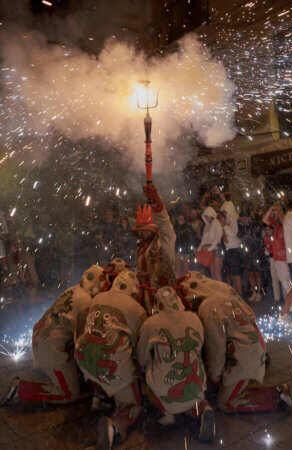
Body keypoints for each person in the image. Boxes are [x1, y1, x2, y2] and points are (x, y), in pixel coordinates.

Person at [176, 271, 292, 413]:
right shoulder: (222, 288)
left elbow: (216, 352)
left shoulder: (207, 309)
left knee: (226, 402)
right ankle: (252, 370)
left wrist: (214, 378)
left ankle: (277, 395)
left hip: (243, 353)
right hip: (252, 342)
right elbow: (250, 313)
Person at [1, 265, 108, 405]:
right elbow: (83, 342)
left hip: (40, 340)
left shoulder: (74, 290)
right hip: (51, 352)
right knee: (69, 393)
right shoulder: (86, 303)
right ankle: (20, 390)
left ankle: (51, 371)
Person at [75, 270, 147, 447]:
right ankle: (115, 424)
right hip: (111, 365)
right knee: (134, 404)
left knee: (96, 357)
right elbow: (140, 348)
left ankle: (99, 397)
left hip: (84, 360)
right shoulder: (136, 308)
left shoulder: (98, 298)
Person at [137, 286, 215, 442]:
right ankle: (202, 408)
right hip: (195, 380)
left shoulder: (151, 323)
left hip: (166, 387)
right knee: (193, 387)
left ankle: (166, 412)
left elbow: (141, 356)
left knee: (148, 373)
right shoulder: (194, 318)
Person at [132, 184, 177, 315]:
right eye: (140, 231)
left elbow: (164, 223)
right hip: (145, 302)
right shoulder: (140, 248)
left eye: (145, 230)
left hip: (166, 300)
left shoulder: (164, 240)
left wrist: (157, 202)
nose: (143, 234)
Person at [262, 204, 292, 303]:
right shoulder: (275, 225)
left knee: (288, 282)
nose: (275, 216)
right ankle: (290, 305)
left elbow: (284, 222)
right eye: (274, 214)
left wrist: (280, 213)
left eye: (277, 214)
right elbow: (264, 219)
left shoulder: (286, 224)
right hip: (277, 257)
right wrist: (271, 208)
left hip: (285, 257)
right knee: (283, 281)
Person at [238, 205, 264, 302]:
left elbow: (256, 239)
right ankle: (254, 291)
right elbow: (240, 235)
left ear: (249, 217)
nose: (244, 219)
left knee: (257, 273)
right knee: (250, 273)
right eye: (242, 217)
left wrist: (246, 238)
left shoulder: (255, 224)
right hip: (247, 252)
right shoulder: (241, 225)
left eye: (245, 217)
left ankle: (259, 292)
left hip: (256, 251)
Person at [219, 201, 243, 295]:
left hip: (234, 249)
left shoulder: (233, 218)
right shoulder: (227, 219)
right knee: (230, 273)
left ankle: (240, 294)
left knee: (236, 274)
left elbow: (233, 233)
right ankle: (236, 294)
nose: (224, 212)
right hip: (228, 249)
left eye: (225, 210)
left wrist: (225, 226)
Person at [197, 206, 223, 281]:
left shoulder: (216, 223)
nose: (206, 218)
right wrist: (200, 248)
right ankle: (215, 290)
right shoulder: (206, 226)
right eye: (205, 216)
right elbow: (204, 239)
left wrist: (209, 249)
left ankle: (220, 291)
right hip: (209, 250)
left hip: (216, 249)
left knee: (217, 272)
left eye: (207, 216)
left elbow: (217, 238)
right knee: (212, 272)